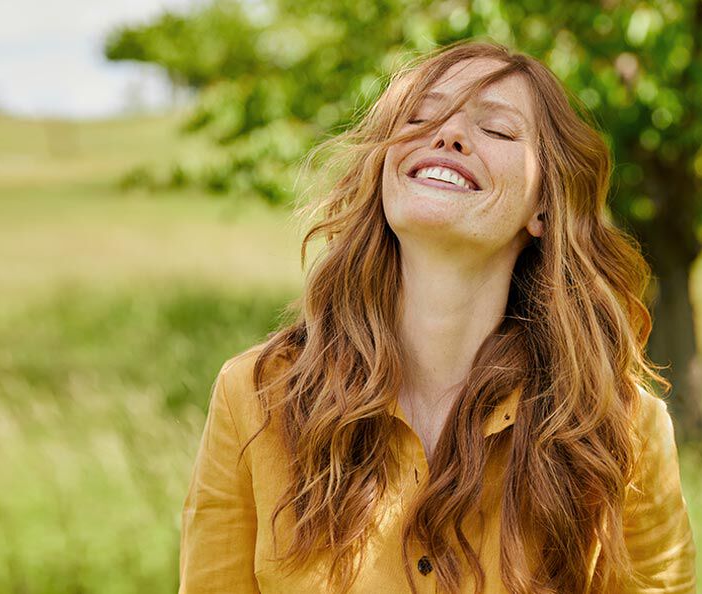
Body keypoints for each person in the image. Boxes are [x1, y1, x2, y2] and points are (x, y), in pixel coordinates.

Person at [178, 38, 697, 593]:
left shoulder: (620, 426)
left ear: (543, 207)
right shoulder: (254, 396)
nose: (447, 135)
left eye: (496, 130)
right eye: (420, 118)